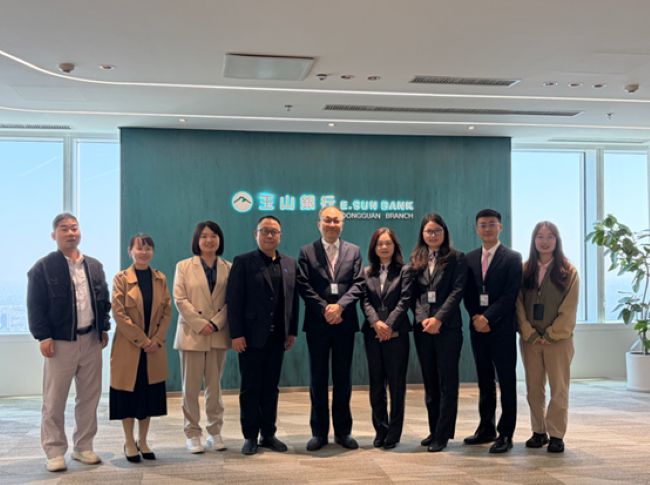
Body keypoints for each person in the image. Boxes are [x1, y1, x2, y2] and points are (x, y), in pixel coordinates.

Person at [26, 213, 110, 472]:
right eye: (64, 229)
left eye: (74, 228)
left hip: (91, 340)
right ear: (54, 235)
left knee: (89, 397)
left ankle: (83, 446)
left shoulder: (94, 266)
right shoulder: (42, 267)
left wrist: (103, 327)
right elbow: (35, 306)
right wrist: (43, 336)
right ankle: (54, 451)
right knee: (54, 399)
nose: (71, 233)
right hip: (60, 343)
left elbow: (103, 300)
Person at [226, 215, 299, 455]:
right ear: (255, 234)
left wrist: (291, 331)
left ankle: (268, 434)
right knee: (250, 388)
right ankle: (250, 436)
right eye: (265, 231)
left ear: (280, 236)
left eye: (274, 232)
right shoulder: (243, 262)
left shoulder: (289, 263)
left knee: (271, 387)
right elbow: (234, 301)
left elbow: (293, 301)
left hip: (278, 338)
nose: (269, 235)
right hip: (250, 338)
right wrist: (236, 334)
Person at [297, 205, 364, 451]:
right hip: (318, 324)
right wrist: (325, 308)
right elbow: (303, 285)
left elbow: (359, 283)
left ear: (342, 225)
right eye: (327, 220)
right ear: (319, 224)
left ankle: (343, 432)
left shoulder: (354, 251)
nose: (332, 224)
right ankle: (319, 432)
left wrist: (340, 307)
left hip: (344, 323)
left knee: (343, 378)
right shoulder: (307, 251)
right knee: (318, 378)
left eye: (336, 220)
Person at [516, 221, 579, 454]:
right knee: (534, 388)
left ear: (557, 240)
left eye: (550, 237)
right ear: (533, 241)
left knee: (558, 388)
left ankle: (556, 434)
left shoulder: (568, 271)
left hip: (559, 341)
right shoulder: (524, 270)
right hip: (530, 340)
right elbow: (517, 303)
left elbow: (569, 309)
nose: (545, 241)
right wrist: (529, 332)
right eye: (540, 237)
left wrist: (552, 334)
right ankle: (538, 431)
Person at [463, 209, 522, 453]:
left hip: (502, 329)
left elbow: (510, 295)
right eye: (482, 225)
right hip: (478, 329)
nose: (487, 229)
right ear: (476, 229)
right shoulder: (469, 258)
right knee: (484, 380)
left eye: (491, 224)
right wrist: (476, 317)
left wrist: (488, 317)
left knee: (506, 382)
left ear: (500, 227)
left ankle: (506, 433)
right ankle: (486, 428)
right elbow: (467, 293)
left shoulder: (513, 258)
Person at [110, 234, 172, 462]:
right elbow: (119, 313)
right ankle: (129, 441)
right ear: (130, 251)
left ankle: (143, 441)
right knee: (127, 396)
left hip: (153, 350)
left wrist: (157, 339)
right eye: (139, 248)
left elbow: (167, 312)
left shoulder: (160, 279)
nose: (144, 252)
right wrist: (143, 340)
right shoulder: (121, 279)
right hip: (129, 349)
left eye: (148, 248)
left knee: (148, 397)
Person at [173, 220, 231, 453]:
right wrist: (200, 323)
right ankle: (192, 433)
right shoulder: (184, 266)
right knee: (190, 388)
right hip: (192, 334)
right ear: (197, 240)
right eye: (204, 236)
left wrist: (215, 323)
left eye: (213, 236)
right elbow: (180, 299)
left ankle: (215, 431)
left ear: (220, 239)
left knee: (214, 389)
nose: (209, 240)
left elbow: (232, 300)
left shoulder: (229, 267)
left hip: (218, 334)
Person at [411, 213, 466, 452]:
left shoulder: (456, 258)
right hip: (423, 328)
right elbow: (414, 295)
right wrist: (424, 319)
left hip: (448, 328)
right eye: (428, 231)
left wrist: (438, 318)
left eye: (437, 231)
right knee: (430, 381)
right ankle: (434, 429)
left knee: (447, 382)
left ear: (444, 233)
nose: (433, 235)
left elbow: (457, 291)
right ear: (422, 234)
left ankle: (443, 435)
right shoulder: (417, 258)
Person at [361, 227, 413, 450]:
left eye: (388, 243)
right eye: (379, 243)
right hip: (373, 334)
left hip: (397, 335)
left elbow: (405, 300)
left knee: (397, 385)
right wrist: (376, 323)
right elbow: (365, 301)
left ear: (394, 247)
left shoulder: (405, 271)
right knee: (376, 384)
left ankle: (394, 432)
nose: (384, 247)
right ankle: (380, 429)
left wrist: (389, 325)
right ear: (374, 247)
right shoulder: (366, 272)